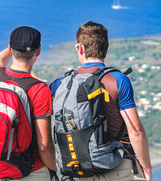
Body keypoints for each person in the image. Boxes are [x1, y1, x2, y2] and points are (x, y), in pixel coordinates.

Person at [50, 21, 153, 181]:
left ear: (80, 48)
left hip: (84, 172)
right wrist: (146, 168)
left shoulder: (62, 84)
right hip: (121, 169)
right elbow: (136, 131)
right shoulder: (117, 80)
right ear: (106, 48)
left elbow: (37, 88)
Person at [0, 26, 57, 180]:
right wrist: (58, 169)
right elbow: (44, 147)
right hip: (30, 170)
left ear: (10, 49)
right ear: (38, 52)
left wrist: (15, 45)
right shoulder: (39, 89)